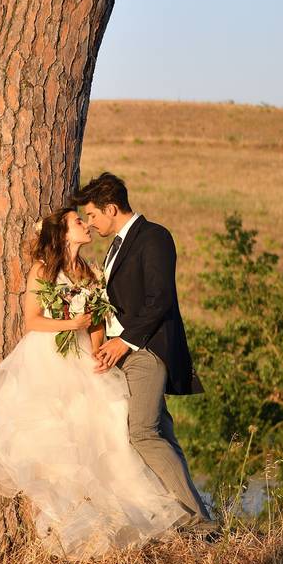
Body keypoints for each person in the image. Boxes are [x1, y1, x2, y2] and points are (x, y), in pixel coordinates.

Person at [0, 207, 189, 559]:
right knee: (59, 437)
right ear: (63, 233)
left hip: (85, 356)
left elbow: (98, 319)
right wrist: (71, 325)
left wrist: (98, 351)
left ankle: (129, 518)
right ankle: (71, 522)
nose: (86, 225)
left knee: (109, 428)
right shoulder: (44, 270)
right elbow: (32, 321)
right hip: (49, 358)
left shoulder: (90, 272)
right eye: (78, 222)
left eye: (85, 220)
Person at [73, 172, 216, 534]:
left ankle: (198, 522)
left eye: (92, 215)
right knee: (161, 433)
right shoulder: (116, 246)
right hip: (125, 353)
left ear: (111, 208)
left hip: (147, 350)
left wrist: (126, 341)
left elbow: (160, 299)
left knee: (143, 434)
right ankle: (187, 517)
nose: (91, 223)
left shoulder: (154, 237)